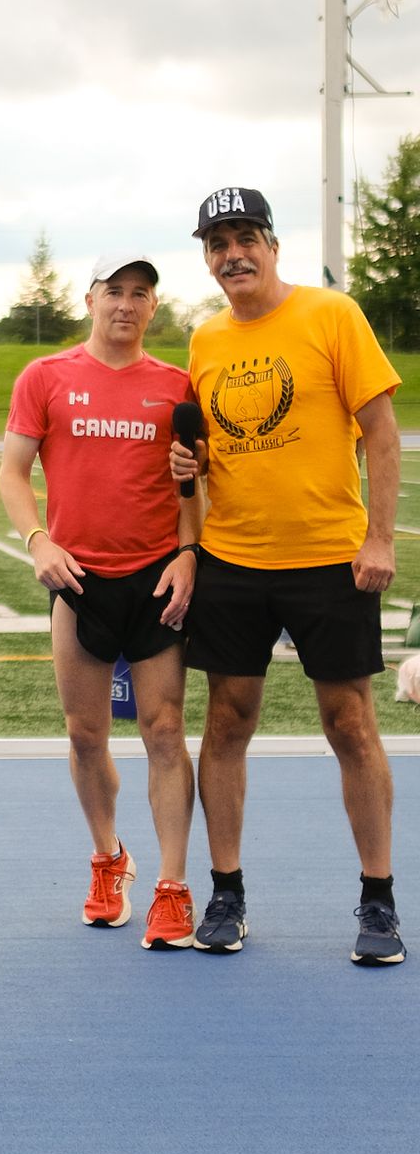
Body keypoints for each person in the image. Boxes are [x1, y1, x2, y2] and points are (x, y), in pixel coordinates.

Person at [170, 186, 404, 965]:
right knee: (228, 722)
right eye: (217, 242)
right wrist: (190, 464)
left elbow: (380, 432)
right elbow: (209, 450)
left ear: (272, 244)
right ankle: (227, 891)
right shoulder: (204, 340)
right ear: (208, 258)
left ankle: (378, 899)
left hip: (329, 558)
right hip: (234, 558)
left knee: (350, 725)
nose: (231, 253)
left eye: (244, 237)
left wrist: (378, 538)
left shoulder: (332, 315)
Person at [0, 254, 202, 950]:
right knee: (86, 735)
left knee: (165, 731)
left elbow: (192, 489)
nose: (125, 302)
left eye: (139, 292)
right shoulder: (46, 377)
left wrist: (188, 553)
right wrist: (38, 541)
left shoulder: (177, 387)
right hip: (78, 580)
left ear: (153, 307)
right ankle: (109, 855)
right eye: (113, 290)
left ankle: (172, 887)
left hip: (154, 581)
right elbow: (12, 471)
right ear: (89, 298)